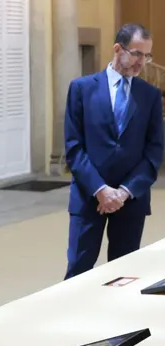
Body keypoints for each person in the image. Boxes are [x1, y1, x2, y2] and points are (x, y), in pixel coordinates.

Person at [64, 23, 163, 280]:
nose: (142, 62)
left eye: (147, 56)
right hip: (89, 198)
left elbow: (154, 152)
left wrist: (124, 192)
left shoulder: (150, 95)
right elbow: (74, 148)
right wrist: (101, 190)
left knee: (123, 277)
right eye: (137, 53)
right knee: (78, 272)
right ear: (118, 49)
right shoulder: (82, 89)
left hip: (131, 200)